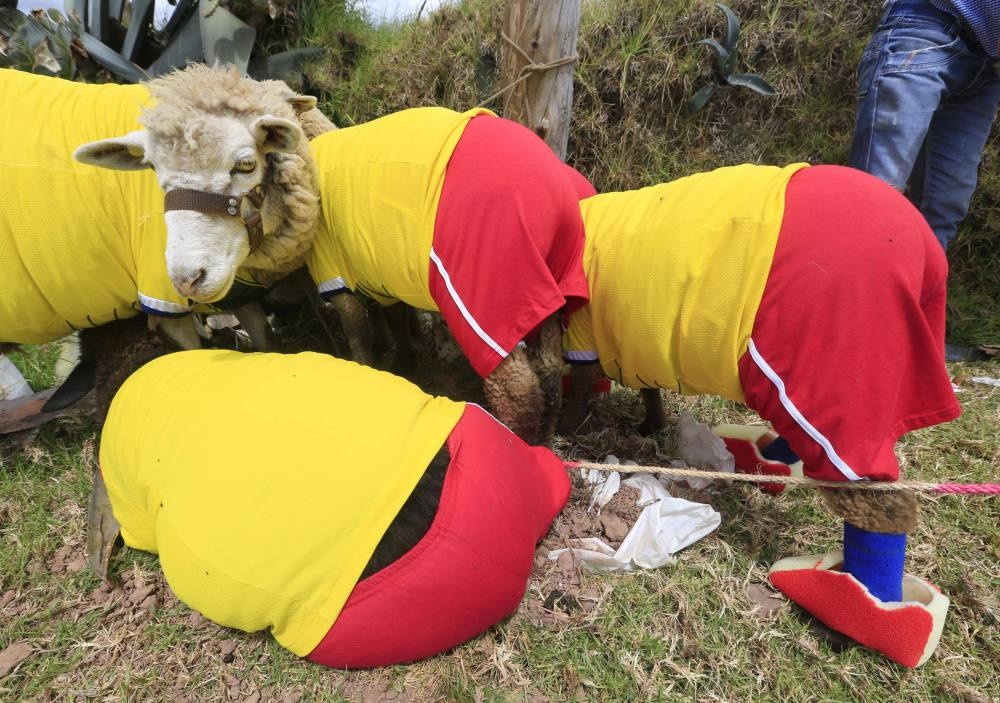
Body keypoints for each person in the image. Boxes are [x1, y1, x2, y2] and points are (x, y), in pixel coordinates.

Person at [560, 163, 960, 667]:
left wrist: (566, 415)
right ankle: (784, 452)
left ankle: (876, 590)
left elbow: (583, 361)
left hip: (802, 249)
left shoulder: (576, 259)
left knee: (839, 422)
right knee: (856, 377)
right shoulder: (608, 219)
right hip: (858, 207)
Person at [93, 349, 570, 668]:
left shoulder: (124, 451)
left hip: (395, 599)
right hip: (492, 475)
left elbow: (143, 534)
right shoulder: (238, 366)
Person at [848, 0, 999, 359]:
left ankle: (906, 338)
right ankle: (848, 333)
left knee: (943, 206)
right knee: (875, 197)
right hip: (928, 25)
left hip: (988, 66)